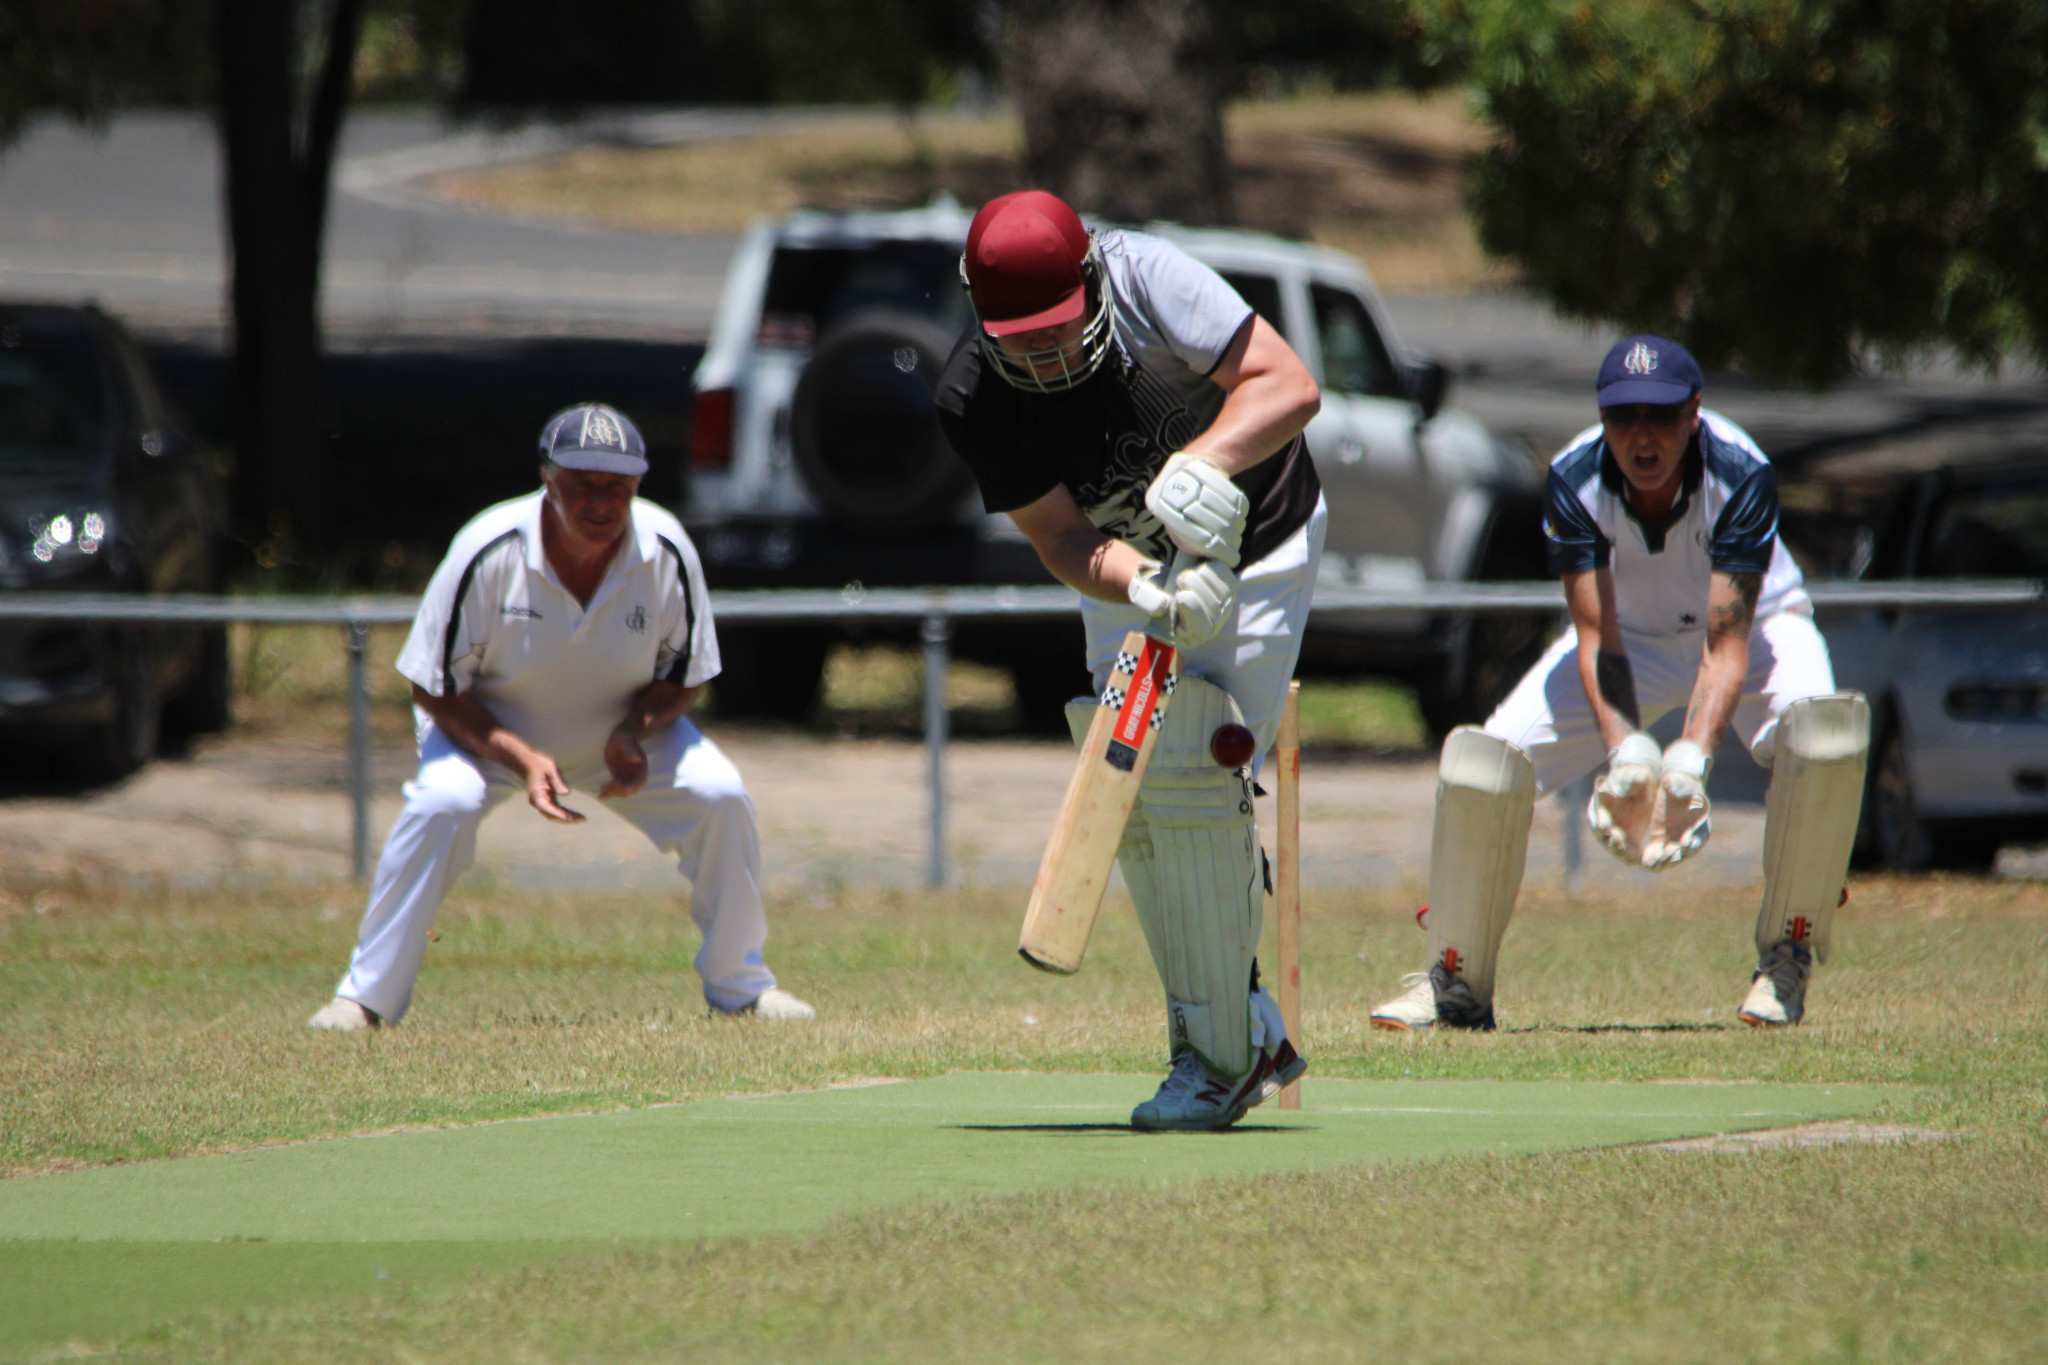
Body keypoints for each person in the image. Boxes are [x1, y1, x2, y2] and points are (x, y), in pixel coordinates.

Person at [934, 190, 1326, 1130]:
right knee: (1136, 799)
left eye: (1058, 331)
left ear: (1088, 281)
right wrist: (1150, 587)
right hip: (1129, 570)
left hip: (1262, 538)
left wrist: (1203, 465)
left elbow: (1288, 384)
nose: (1045, 357)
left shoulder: (1148, 279)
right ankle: (1237, 1034)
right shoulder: (971, 397)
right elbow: (1061, 537)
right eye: (1019, 341)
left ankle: (1222, 1056)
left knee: (1198, 763)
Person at [1369, 337, 1869, 1033]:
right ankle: (1454, 980)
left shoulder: (1739, 470)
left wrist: (1690, 758)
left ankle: (1786, 957)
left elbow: (1726, 646)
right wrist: (1630, 750)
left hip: (1757, 633)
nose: (1642, 434)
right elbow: (1597, 639)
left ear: (1693, 412)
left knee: (1825, 736)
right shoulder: (1575, 476)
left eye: (1660, 415)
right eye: (1624, 414)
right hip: (1626, 638)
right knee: (1482, 767)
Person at [308, 403, 813, 1031]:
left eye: (618, 487)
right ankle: (365, 1000)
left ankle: (742, 989)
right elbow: (432, 689)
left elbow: (688, 676)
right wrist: (519, 756)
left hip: (621, 736)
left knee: (721, 794)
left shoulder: (665, 550)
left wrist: (632, 732)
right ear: (548, 480)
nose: (601, 503)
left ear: (638, 487)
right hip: (487, 736)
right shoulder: (486, 550)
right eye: (583, 484)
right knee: (443, 803)